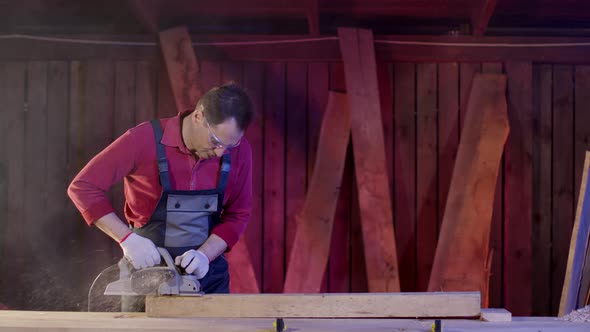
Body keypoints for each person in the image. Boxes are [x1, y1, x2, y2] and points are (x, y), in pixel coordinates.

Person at [68, 82, 254, 296]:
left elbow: (238, 215)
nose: (221, 152)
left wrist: (204, 255)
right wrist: (127, 239)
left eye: (230, 145)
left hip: (207, 280)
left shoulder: (241, 153)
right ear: (198, 116)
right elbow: (83, 187)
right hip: (145, 278)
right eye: (215, 141)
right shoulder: (143, 139)